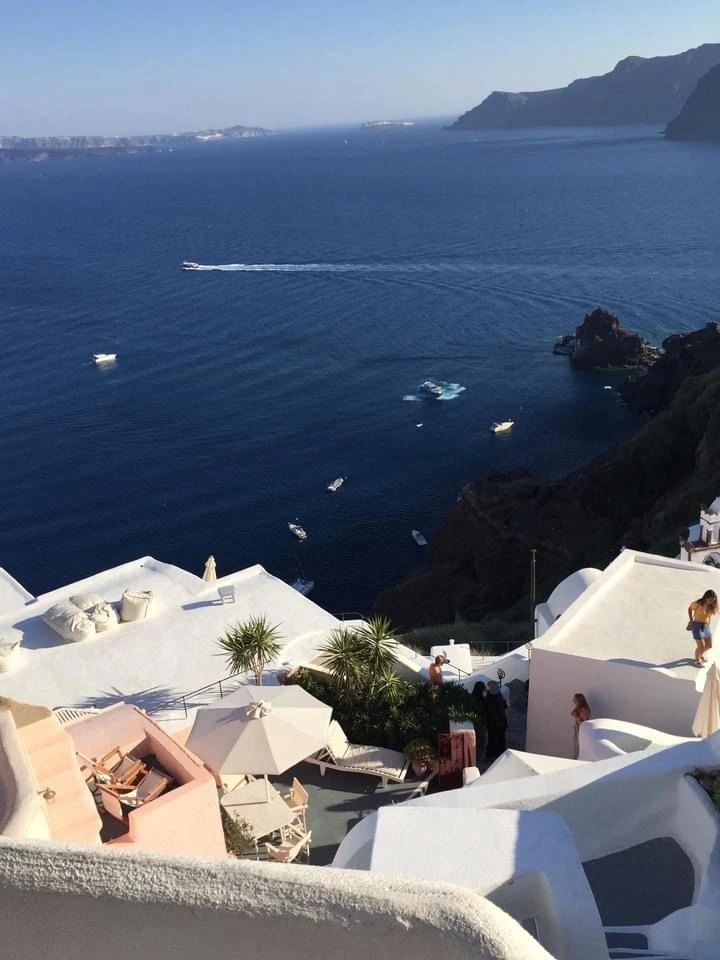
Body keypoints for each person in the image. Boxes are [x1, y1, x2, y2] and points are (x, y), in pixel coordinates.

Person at [688, 589, 718, 667]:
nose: (711, 601)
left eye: (713, 600)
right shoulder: (697, 604)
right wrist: (691, 619)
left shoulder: (711, 605)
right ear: (705, 598)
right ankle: (697, 660)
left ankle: (700, 654)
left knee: (709, 645)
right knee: (701, 646)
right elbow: (690, 608)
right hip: (697, 626)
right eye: (710, 600)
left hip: (706, 627)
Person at [484, 680, 507, 761]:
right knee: (501, 740)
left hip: (491, 723)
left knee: (491, 739)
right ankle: (501, 756)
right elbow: (505, 709)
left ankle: (490, 755)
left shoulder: (487, 699)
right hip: (501, 723)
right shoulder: (500, 698)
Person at [571, 693, 591, 760]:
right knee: (576, 746)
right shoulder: (578, 708)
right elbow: (573, 713)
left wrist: (578, 719)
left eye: (575, 699)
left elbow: (585, 722)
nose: (573, 700)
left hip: (581, 730)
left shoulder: (584, 709)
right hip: (577, 729)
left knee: (580, 745)